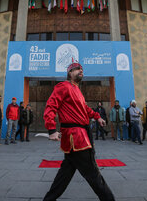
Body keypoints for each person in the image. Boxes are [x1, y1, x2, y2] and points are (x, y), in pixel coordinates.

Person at [43, 60, 115, 201]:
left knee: (64, 175)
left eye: (81, 69)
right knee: (94, 175)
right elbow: (51, 106)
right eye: (76, 68)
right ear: (69, 73)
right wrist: (51, 129)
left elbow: (85, 109)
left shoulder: (78, 91)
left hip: (79, 135)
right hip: (76, 137)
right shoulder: (64, 86)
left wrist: (97, 116)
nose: (80, 70)